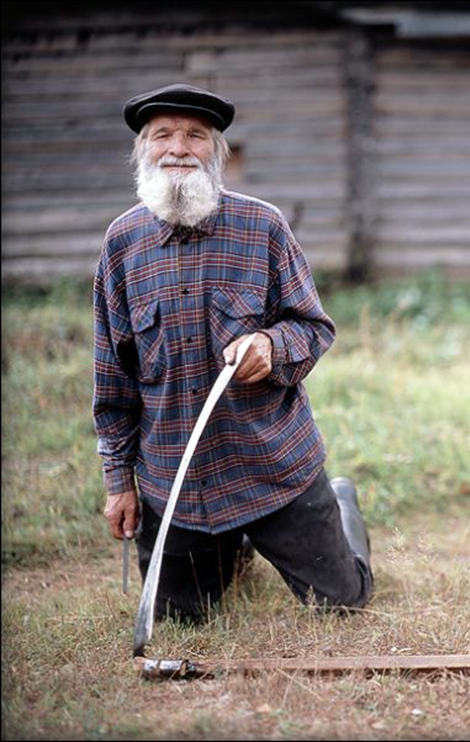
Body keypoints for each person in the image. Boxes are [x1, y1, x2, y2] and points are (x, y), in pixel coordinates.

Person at [93, 83, 372, 623]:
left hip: (271, 469)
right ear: (143, 151)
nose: (178, 147)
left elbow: (314, 328)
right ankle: (233, 549)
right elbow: (113, 383)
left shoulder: (263, 226)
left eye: (196, 135)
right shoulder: (121, 245)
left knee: (343, 604)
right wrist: (118, 483)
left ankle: (340, 503)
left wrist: (271, 344)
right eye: (162, 135)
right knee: (178, 622)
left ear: (218, 153)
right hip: (176, 481)